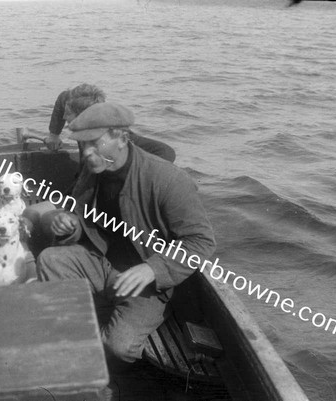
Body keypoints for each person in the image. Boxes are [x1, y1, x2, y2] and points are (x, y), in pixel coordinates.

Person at [37, 103, 215, 371]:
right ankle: (80, 334)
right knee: (51, 260)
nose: (86, 153)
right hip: (104, 263)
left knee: (118, 347)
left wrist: (152, 269)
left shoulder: (166, 179)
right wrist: (70, 224)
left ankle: (138, 316)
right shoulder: (93, 170)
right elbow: (85, 219)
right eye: (81, 145)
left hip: (147, 282)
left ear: (121, 138)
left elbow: (201, 241)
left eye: (94, 143)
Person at [45, 84, 176, 164]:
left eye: (68, 113)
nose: (64, 116)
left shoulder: (114, 137)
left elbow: (166, 152)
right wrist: (54, 134)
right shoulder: (71, 102)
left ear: (84, 117)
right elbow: (63, 98)